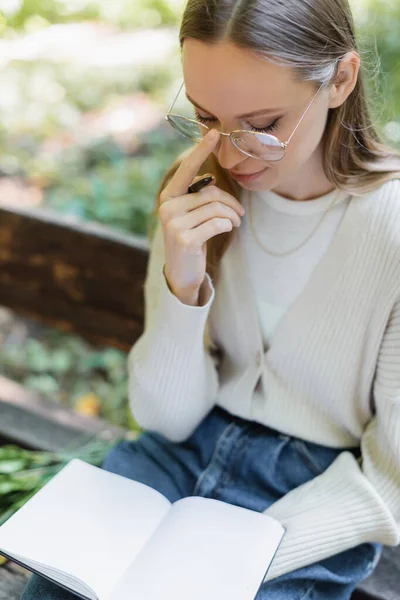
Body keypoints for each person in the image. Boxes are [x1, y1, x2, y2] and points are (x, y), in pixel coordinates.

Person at [21, 0, 400, 598]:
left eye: (264, 123)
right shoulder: (196, 190)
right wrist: (183, 283)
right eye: (206, 118)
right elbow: (165, 419)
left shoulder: (391, 228)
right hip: (176, 458)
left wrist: (239, 555)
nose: (231, 152)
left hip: (316, 496)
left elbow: (392, 480)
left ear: (341, 80)